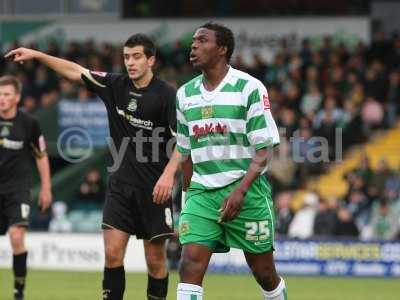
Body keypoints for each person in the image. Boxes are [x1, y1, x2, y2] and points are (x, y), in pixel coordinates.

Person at [6, 34, 180, 300]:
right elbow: (76, 72)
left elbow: (185, 142)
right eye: (126, 57)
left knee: (155, 260)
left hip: (155, 188)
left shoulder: (167, 95)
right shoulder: (115, 85)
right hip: (120, 185)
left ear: (151, 60)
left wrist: (169, 175)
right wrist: (39, 56)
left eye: (136, 57)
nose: (130, 62)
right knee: (112, 255)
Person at [175, 23, 287, 299]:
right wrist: (187, 197)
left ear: (222, 49)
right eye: (193, 41)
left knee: (264, 272)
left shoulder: (248, 88)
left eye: (202, 40)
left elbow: (264, 148)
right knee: (189, 264)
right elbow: (185, 153)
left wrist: (240, 191)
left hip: (246, 192)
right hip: (202, 194)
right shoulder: (184, 95)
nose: (194, 46)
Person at [0, 75, 52, 300]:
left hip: (17, 190)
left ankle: (18, 291)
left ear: (17, 97)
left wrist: (46, 188)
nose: (2, 98)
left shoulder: (29, 124)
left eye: (7, 94)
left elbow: (41, 156)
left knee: (17, 237)